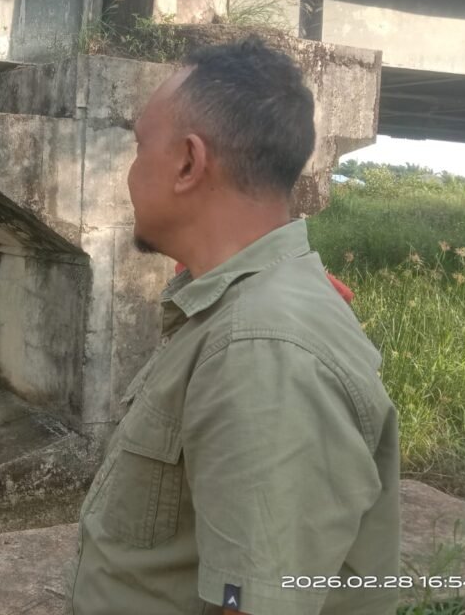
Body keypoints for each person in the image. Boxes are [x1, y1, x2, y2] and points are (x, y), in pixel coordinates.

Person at [68, 39, 400, 615]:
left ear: (189, 163)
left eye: (139, 146)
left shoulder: (262, 347)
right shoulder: (237, 312)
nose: (130, 172)